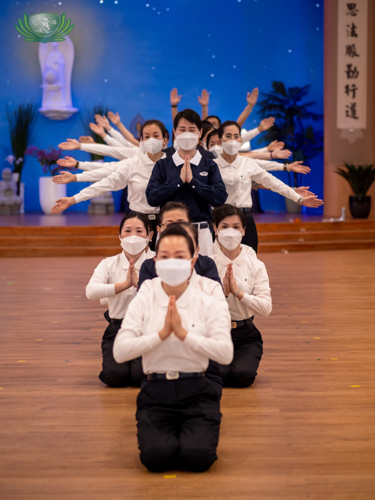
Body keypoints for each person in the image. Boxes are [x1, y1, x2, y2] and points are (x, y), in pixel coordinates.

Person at [113, 224, 233, 472]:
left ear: (193, 260)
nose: (172, 262)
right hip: (156, 392)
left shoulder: (208, 297)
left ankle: (194, 434)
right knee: (156, 460)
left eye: (180, 256)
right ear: (155, 260)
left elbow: (225, 353)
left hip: (198, 391)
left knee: (198, 459)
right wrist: (161, 335)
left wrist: (183, 335)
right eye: (165, 256)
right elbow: (121, 351)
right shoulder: (146, 294)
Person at [51, 120, 169, 250]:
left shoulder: (173, 165)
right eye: (147, 136)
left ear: (165, 139)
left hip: (166, 222)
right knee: (137, 264)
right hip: (137, 222)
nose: (151, 140)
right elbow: (107, 178)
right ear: (141, 140)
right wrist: (74, 198)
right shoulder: (133, 164)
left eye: (156, 136)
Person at [213, 121, 324, 252]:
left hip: (244, 218)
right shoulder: (211, 165)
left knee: (249, 259)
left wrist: (299, 199)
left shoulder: (248, 163)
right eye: (228, 136)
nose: (232, 140)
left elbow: (273, 182)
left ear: (241, 140)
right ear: (220, 141)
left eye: (236, 136)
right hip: (220, 219)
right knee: (218, 260)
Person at [146, 109, 228, 256]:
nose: (187, 134)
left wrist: (193, 182)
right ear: (175, 132)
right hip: (169, 230)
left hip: (201, 231)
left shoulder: (209, 165)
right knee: (168, 275)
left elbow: (220, 198)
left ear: (200, 133)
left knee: (203, 274)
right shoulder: (162, 165)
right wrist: (178, 181)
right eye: (182, 130)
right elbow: (152, 198)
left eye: (192, 130)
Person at [86, 213, 154, 387]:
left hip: (147, 330)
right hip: (118, 328)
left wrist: (140, 285)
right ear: (120, 236)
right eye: (128, 231)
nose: (133, 236)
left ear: (150, 235)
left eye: (139, 231)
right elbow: (91, 291)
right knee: (114, 376)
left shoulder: (157, 262)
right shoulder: (109, 263)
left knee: (140, 377)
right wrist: (124, 285)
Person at [211, 204, 272, 388]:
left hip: (246, 335)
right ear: (215, 229)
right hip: (214, 333)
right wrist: (222, 293)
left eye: (236, 227)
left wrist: (239, 293)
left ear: (244, 231)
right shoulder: (207, 264)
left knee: (242, 376)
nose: (230, 232)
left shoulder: (255, 264)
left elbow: (266, 308)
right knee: (217, 377)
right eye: (224, 227)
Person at [138, 201, 221, 287]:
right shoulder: (148, 266)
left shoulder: (207, 264)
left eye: (181, 223)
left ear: (191, 226)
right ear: (159, 230)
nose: (176, 228)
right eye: (169, 224)